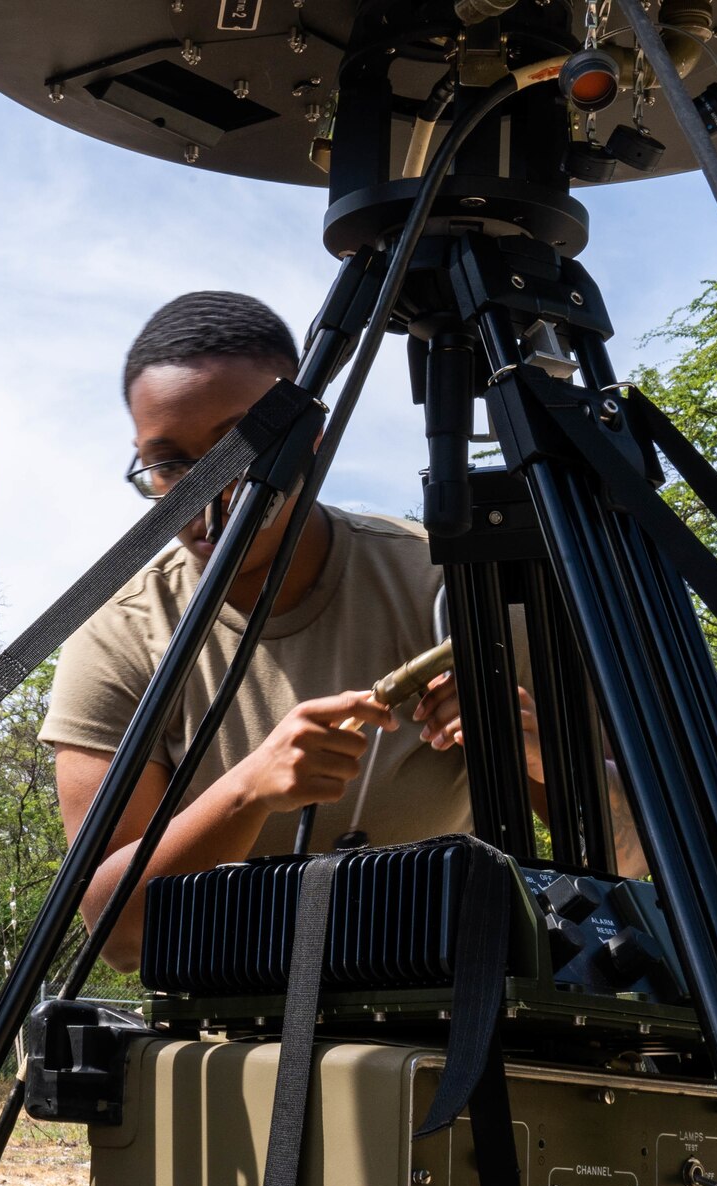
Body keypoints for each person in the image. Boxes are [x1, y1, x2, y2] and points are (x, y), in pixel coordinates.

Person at [39, 290, 642, 971]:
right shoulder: (118, 639)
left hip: (453, 1028)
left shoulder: (451, 590)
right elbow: (118, 934)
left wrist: (536, 755)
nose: (211, 495)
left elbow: (629, 863)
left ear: (311, 437)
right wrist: (249, 789)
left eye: (241, 450)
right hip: (230, 1050)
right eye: (171, 463)